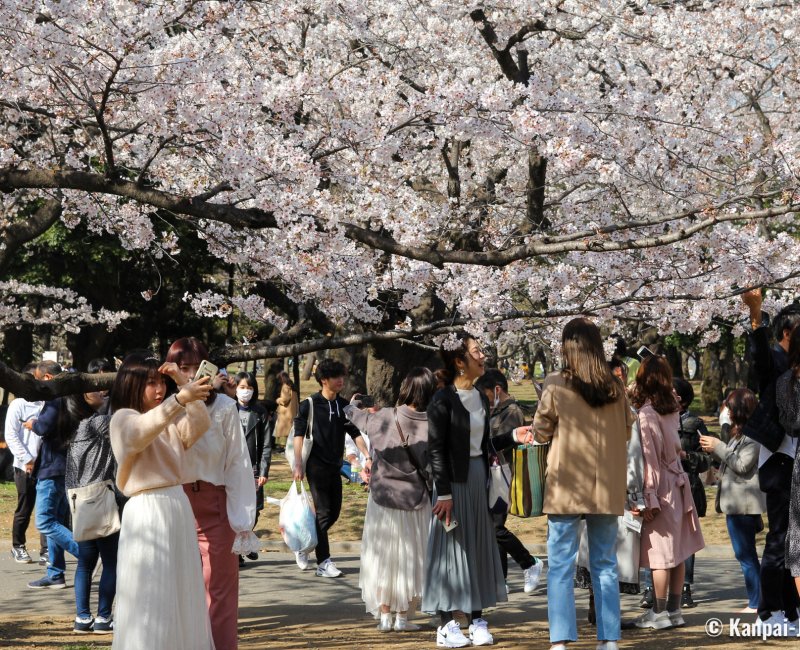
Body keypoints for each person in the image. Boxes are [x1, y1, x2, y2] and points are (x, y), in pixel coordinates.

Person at [423, 334, 533, 648]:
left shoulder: (481, 398)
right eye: (476, 351)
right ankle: (445, 625)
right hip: (451, 484)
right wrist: (443, 493)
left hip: (477, 477)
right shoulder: (442, 400)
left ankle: (476, 620)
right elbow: (436, 450)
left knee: (476, 548)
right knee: (450, 550)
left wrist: (513, 434)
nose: (482, 356)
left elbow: (483, 446)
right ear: (459, 361)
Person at [532, 318, 634, 650]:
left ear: (567, 347)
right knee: (605, 564)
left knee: (560, 565)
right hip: (605, 485)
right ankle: (608, 639)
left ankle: (561, 640)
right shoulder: (616, 389)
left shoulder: (556, 384)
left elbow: (541, 431)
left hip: (566, 485)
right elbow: (627, 431)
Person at [109, 352, 214, 650]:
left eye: (161, 383)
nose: (159, 389)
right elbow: (138, 435)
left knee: (179, 592)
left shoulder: (167, 418)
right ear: (132, 385)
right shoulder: (122, 419)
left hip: (175, 505)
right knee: (150, 594)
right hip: (146, 509)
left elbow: (200, 425)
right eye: (150, 383)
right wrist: (179, 400)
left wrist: (183, 384)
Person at [166, 338, 258, 650]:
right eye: (183, 369)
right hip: (174, 504)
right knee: (179, 592)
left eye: (197, 367)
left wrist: (242, 519)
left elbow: (238, 463)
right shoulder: (165, 408)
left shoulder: (225, 407)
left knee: (220, 594)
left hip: (215, 505)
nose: (192, 375)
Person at [344, 367, 436, 632]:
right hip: (415, 499)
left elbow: (353, 416)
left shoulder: (385, 417)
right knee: (410, 558)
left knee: (384, 557)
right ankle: (403, 618)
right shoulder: (431, 423)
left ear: (405, 388)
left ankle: (385, 617)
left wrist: (353, 404)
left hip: (382, 499)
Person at [629, 355, 705, 630]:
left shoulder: (647, 414)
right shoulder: (672, 409)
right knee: (678, 551)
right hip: (679, 484)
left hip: (661, 486)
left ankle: (659, 612)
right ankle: (674, 611)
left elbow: (649, 459)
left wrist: (647, 498)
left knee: (658, 554)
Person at [741, 289, 800, 631]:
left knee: (794, 538)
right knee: (780, 535)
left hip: (793, 461)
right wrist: (756, 312)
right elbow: (760, 357)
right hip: (778, 461)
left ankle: (791, 611)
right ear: (788, 331)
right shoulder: (776, 360)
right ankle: (768, 611)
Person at [292, 358, 371, 577]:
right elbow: (298, 434)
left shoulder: (342, 405)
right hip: (315, 466)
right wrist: (298, 463)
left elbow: (354, 433)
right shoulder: (309, 403)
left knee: (333, 512)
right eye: (336, 377)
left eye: (342, 376)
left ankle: (305, 543)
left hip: (336, 466)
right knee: (324, 511)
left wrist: (366, 455)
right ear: (324, 380)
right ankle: (323, 562)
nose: (341, 380)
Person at [473, 369, 543, 594]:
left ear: (497, 390)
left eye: (485, 394)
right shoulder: (497, 411)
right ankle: (499, 579)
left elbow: (501, 443)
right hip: (492, 476)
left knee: (495, 528)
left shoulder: (511, 411)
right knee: (494, 527)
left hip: (503, 475)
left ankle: (529, 562)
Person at [66, 358, 121, 634]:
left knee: (85, 564)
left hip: (78, 500)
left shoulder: (73, 425)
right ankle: (102, 617)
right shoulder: (98, 423)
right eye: (97, 387)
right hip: (101, 497)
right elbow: (122, 417)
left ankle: (81, 617)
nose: (104, 391)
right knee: (110, 561)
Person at [700, 388, 764, 613]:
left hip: (743, 505)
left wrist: (718, 446)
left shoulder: (754, 436)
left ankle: (756, 602)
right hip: (736, 504)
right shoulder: (740, 435)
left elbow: (742, 465)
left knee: (746, 555)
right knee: (744, 554)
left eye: (729, 406)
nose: (726, 411)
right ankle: (757, 600)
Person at [27, 360, 87, 590]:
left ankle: (86, 554)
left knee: (45, 520)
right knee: (57, 520)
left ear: (48, 379)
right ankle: (55, 573)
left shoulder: (55, 399)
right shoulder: (73, 397)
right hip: (66, 467)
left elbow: (43, 427)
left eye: (40, 381)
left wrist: (33, 423)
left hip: (52, 468)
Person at [673, 377, 711, 609]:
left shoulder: (695, 424)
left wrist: (688, 458)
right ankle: (652, 588)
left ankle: (685, 588)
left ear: (683, 399)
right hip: (663, 487)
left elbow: (708, 459)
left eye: (673, 393)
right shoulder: (653, 419)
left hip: (689, 485)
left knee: (686, 538)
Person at [5, 362, 47, 565]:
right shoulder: (18, 404)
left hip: (45, 464)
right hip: (24, 466)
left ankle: (46, 550)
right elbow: (11, 436)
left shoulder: (44, 403)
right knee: (25, 507)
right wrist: (27, 459)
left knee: (46, 507)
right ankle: (18, 546)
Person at [233, 370, 271, 566]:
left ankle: (245, 541)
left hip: (254, 468)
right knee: (235, 507)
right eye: (241, 387)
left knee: (254, 510)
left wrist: (264, 471)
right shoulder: (229, 409)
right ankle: (238, 551)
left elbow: (266, 444)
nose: (245, 391)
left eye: (249, 388)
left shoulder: (260, 412)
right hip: (233, 467)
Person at [274, 371, 299, 450]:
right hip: (292, 411)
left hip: (285, 412)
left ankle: (283, 447)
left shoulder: (285, 387)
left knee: (284, 431)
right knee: (290, 431)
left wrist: (278, 400)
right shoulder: (292, 386)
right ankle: (289, 447)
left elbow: (285, 399)